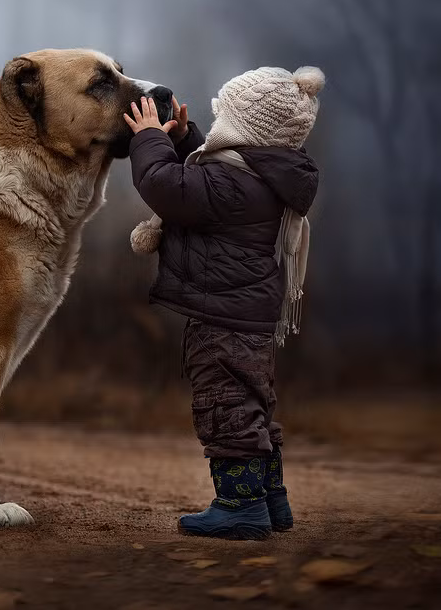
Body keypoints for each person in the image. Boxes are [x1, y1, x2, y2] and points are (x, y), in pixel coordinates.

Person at [123, 66, 324, 539]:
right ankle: (271, 501)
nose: (215, 127)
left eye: (223, 117)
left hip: (223, 319)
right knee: (251, 405)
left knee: (225, 406)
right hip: (247, 315)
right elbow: (199, 176)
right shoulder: (259, 175)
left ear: (244, 128)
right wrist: (181, 137)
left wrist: (149, 139)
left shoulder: (233, 185)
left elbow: (163, 184)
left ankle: (239, 508)